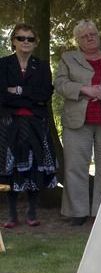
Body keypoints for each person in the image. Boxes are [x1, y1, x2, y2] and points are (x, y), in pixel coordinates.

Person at [55, 19, 101, 226]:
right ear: (77, 40)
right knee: (75, 166)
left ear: (98, 35)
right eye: (84, 36)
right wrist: (84, 89)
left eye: (93, 34)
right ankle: (77, 212)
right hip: (78, 119)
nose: (90, 38)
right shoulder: (68, 58)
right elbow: (60, 83)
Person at [0, 23, 57, 228]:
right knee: (12, 168)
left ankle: (32, 212)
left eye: (30, 39)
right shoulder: (3, 65)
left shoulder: (41, 66)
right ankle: (12, 215)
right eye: (21, 38)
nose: (25, 42)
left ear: (35, 43)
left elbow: (44, 95)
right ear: (13, 41)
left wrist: (17, 91)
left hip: (36, 123)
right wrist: (28, 94)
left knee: (35, 167)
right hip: (9, 123)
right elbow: (2, 97)